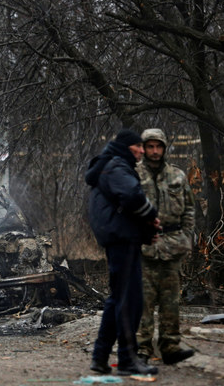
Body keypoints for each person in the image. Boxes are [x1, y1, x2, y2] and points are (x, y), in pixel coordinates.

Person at [85, 129, 161, 376]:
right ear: (127, 148)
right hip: (122, 239)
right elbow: (131, 196)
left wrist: (145, 230)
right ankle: (128, 360)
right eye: (138, 146)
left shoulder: (109, 165)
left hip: (119, 237)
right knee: (130, 301)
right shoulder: (117, 165)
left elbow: (123, 205)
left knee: (118, 298)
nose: (141, 150)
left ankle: (100, 356)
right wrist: (152, 216)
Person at [136, 128, 195, 365]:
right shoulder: (133, 175)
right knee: (143, 302)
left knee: (171, 300)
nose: (154, 151)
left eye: (158, 146)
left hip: (172, 246)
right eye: (150, 146)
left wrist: (186, 236)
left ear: (164, 148)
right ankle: (142, 349)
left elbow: (189, 209)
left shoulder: (177, 176)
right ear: (143, 148)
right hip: (143, 247)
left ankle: (170, 346)